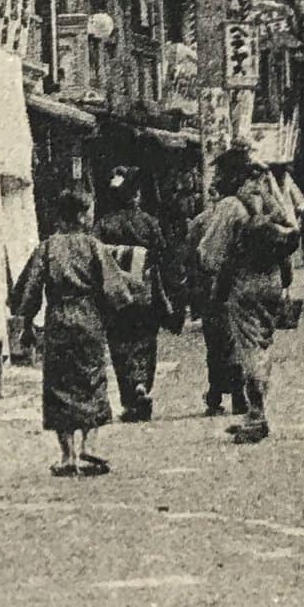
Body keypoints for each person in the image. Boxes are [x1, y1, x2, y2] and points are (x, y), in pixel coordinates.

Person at [17, 186, 149, 479]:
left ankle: (67, 456)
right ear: (79, 215)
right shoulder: (93, 247)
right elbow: (116, 290)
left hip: (58, 320)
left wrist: (26, 323)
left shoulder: (47, 247)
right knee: (92, 380)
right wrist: (123, 309)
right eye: (89, 211)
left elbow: (29, 290)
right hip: (88, 319)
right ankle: (89, 448)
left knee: (58, 385)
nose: (92, 216)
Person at [216, 160, 299, 444]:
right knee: (264, 342)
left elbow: (210, 252)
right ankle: (257, 408)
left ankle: (256, 413)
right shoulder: (271, 203)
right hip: (273, 280)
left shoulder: (231, 206)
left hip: (245, 281)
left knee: (248, 345)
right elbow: (290, 232)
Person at [94, 165, 174, 422]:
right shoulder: (149, 222)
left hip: (115, 296)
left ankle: (130, 396)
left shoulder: (103, 225)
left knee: (120, 345)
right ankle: (142, 384)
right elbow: (162, 254)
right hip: (145, 292)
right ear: (135, 195)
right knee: (145, 343)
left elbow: (96, 258)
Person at [189, 149, 260, 415]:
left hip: (229, 286)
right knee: (250, 346)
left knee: (222, 343)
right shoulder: (258, 199)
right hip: (259, 286)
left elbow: (208, 256)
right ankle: (250, 405)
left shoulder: (228, 208)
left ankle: (240, 401)